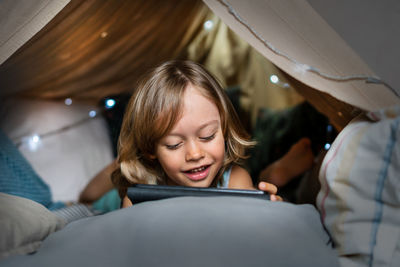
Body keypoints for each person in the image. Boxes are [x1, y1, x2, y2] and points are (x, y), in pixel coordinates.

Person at [110, 60, 281, 208]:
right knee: (93, 197)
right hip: (122, 189)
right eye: (174, 144)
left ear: (224, 131)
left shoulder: (235, 182)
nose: (195, 154)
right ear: (150, 148)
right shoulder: (138, 201)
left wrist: (270, 212)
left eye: (207, 136)